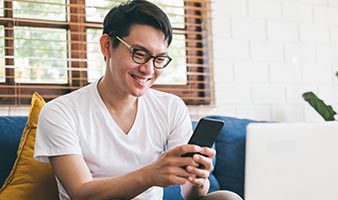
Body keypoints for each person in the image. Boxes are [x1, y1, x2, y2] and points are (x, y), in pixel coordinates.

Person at [33, 0, 242, 200]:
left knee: (226, 197)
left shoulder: (170, 107)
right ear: (107, 46)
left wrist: (197, 180)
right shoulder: (60, 112)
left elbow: (189, 195)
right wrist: (150, 174)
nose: (149, 70)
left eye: (159, 59)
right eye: (139, 54)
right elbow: (80, 192)